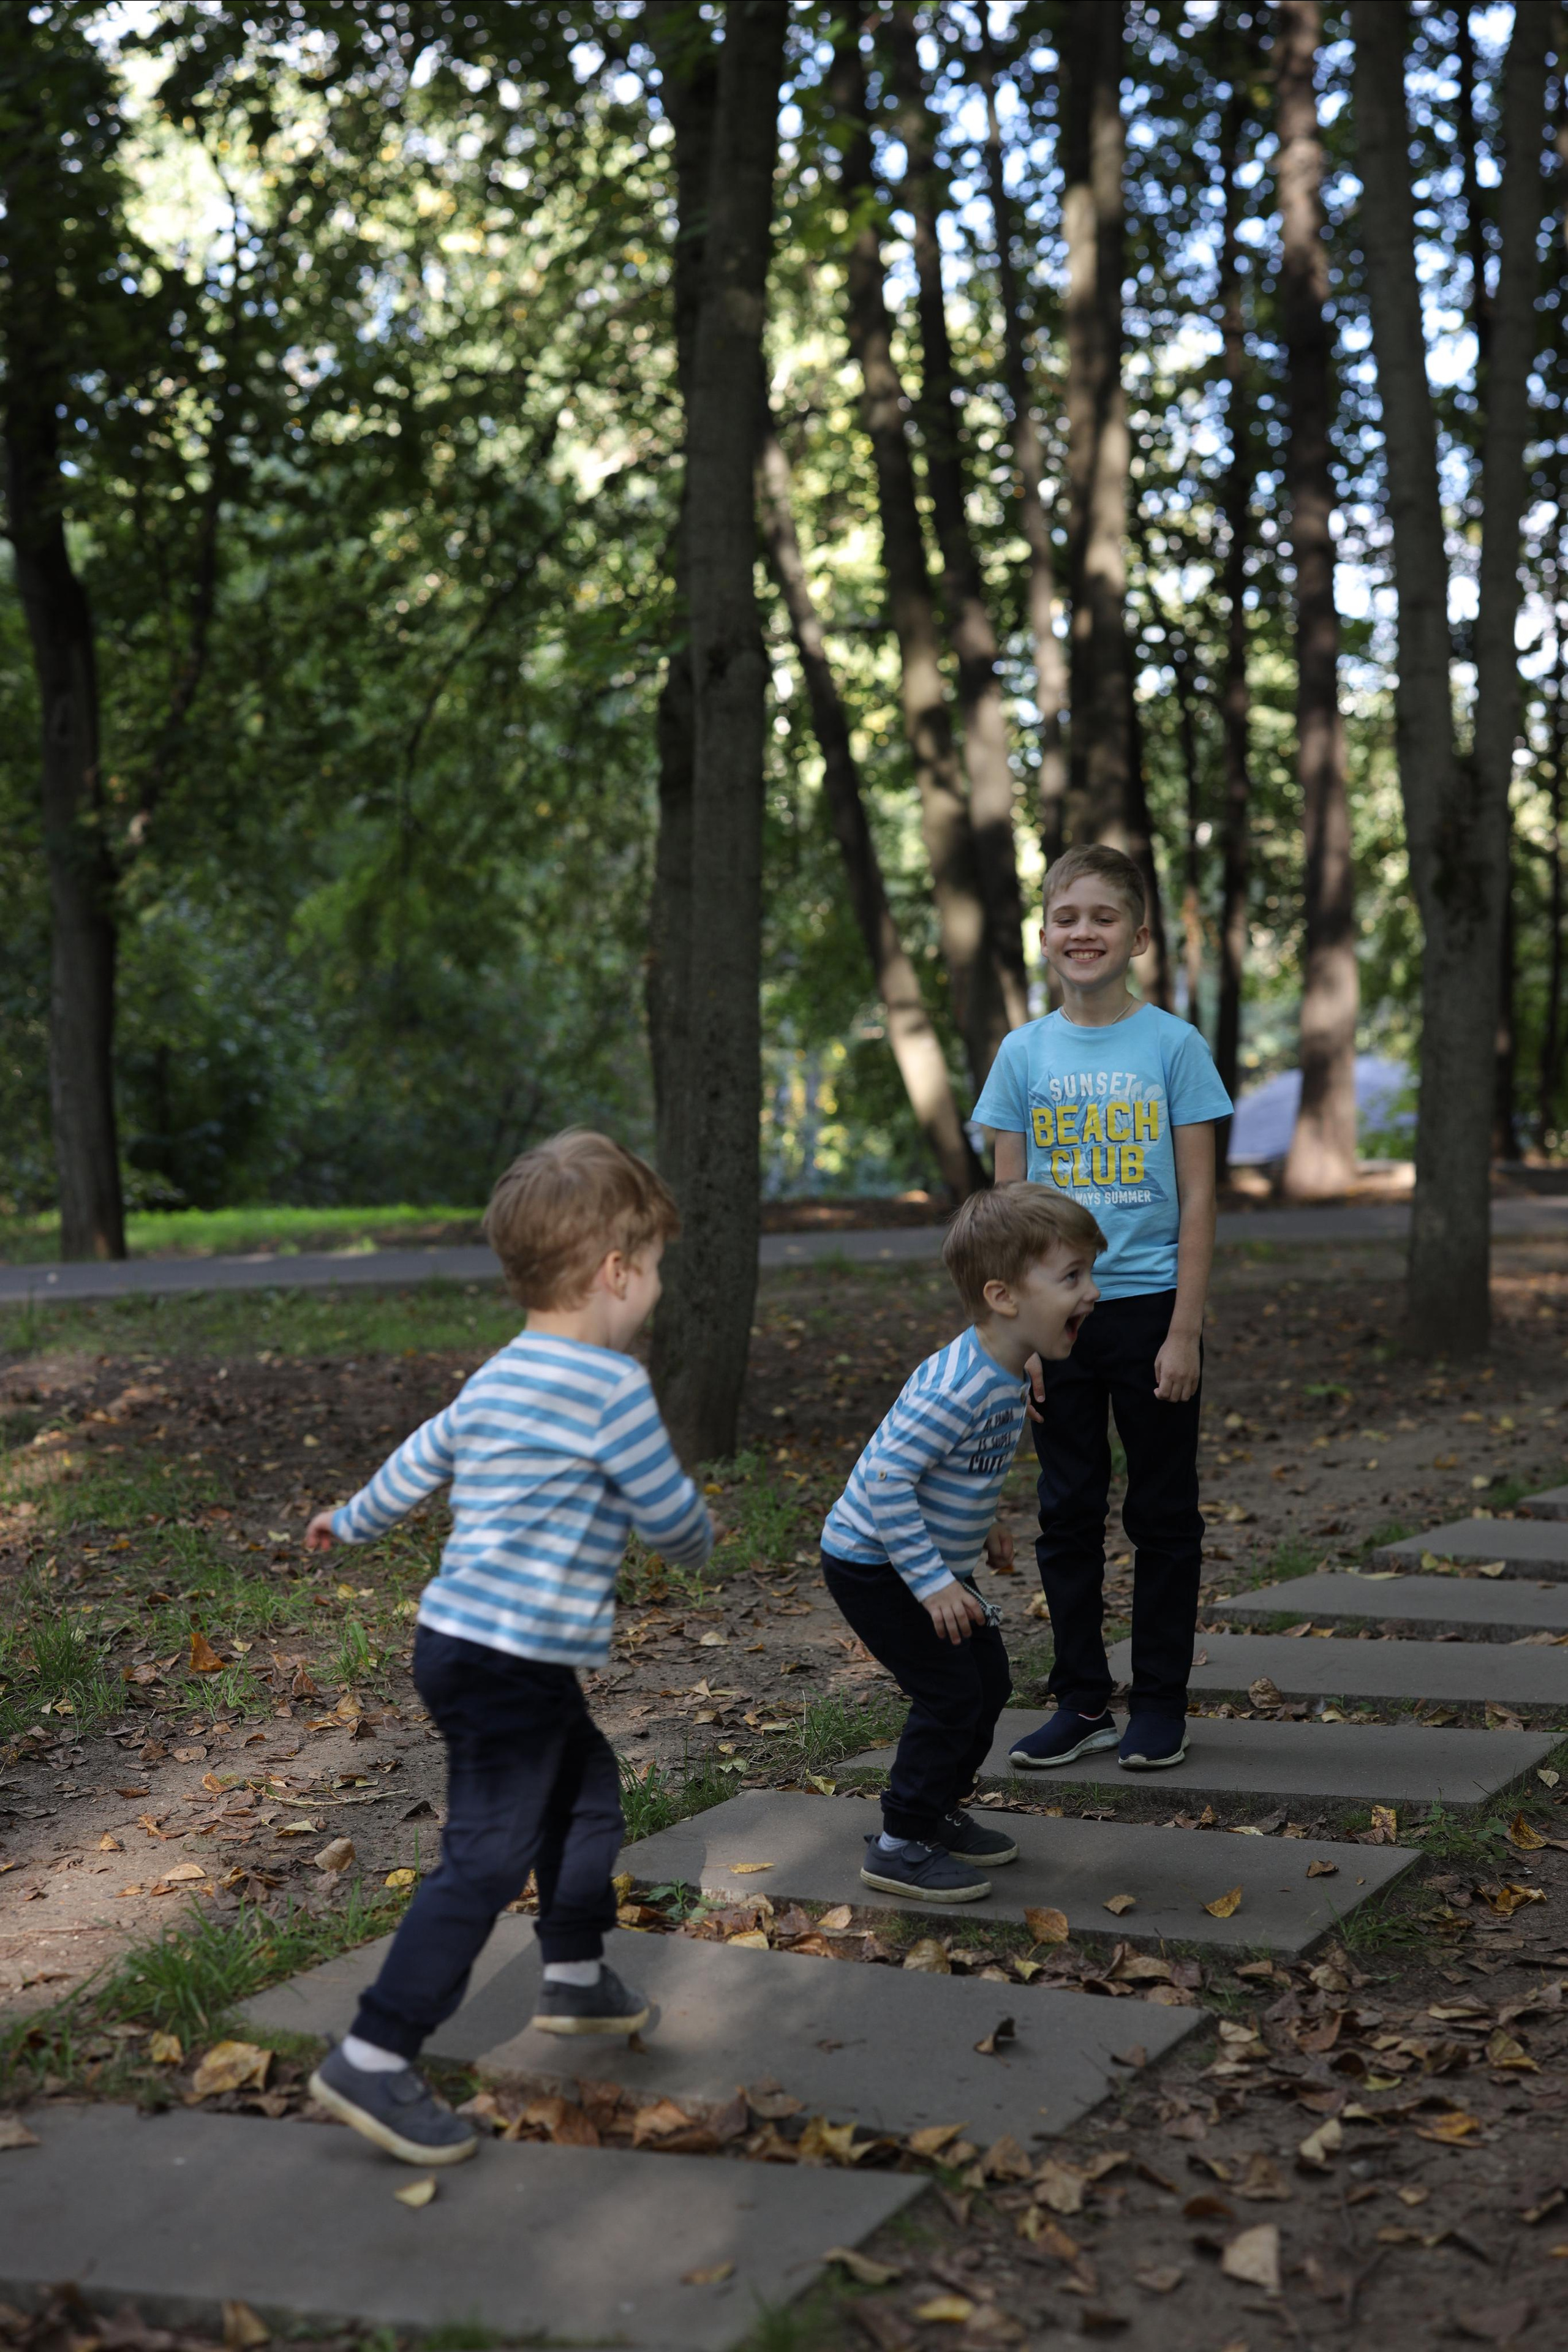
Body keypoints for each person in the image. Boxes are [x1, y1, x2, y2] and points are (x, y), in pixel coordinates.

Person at [301, 1130, 712, 2165]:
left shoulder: (497, 1376)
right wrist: (697, 1536)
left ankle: (572, 1976)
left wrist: (350, 1518)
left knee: (587, 1788)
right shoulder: (613, 1389)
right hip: (513, 1659)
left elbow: (420, 1458)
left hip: (457, 1643)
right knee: (485, 1857)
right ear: (615, 1272)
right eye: (655, 1268)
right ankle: (375, 2053)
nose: (657, 1288)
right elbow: (669, 1514)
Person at [973, 843, 1231, 1774]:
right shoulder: (1022, 1053)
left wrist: (1184, 1331)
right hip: (1056, 1324)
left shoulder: (1173, 1045)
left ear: (1139, 938)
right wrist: (1020, 1343)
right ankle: (1082, 1699)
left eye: (1104, 917)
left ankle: (1159, 1702)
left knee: (1162, 1517)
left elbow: (1197, 1200)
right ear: (1045, 935)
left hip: (1152, 1310)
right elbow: (1005, 1216)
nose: (1084, 932)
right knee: (1068, 1513)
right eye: (1067, 917)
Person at [820, 1183, 1104, 1902]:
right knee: (950, 1695)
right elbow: (886, 1480)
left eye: (1089, 1273)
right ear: (1003, 1297)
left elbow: (954, 1467)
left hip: (925, 1559)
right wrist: (934, 1583)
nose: (1092, 1292)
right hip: (875, 1563)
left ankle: (936, 1809)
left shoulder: (1011, 1369)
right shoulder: (960, 1386)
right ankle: (898, 1842)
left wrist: (984, 1522)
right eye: (1072, 1276)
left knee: (990, 1683)